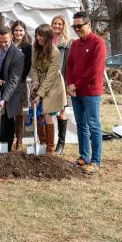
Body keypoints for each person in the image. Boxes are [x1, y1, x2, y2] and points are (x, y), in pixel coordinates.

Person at [66, 11, 106, 174]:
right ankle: (84, 156)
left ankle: (96, 161)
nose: (76, 29)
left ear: (89, 24)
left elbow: (94, 70)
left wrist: (76, 85)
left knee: (93, 125)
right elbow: (69, 66)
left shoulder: (99, 43)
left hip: (91, 92)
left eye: (79, 26)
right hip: (76, 92)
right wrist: (69, 85)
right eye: (74, 26)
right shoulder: (75, 44)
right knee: (81, 124)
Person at [27, 24, 67, 155]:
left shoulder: (55, 52)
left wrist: (40, 94)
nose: (38, 38)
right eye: (37, 35)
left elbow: (50, 76)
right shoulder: (35, 48)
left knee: (47, 114)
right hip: (40, 82)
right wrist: (35, 83)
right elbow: (33, 68)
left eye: (41, 35)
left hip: (53, 85)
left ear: (48, 36)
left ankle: (49, 148)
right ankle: (42, 144)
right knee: (38, 115)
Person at [0, 26, 24, 151]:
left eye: (5, 41)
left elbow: (14, 80)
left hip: (10, 92)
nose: (3, 44)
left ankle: (6, 150)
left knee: (7, 121)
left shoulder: (18, 55)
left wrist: (4, 99)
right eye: (0, 41)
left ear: (11, 37)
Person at [52, 15, 73, 155]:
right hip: (48, 81)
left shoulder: (68, 43)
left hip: (62, 81)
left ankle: (61, 143)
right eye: (55, 23)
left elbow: (70, 65)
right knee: (47, 112)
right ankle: (47, 142)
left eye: (60, 24)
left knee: (61, 112)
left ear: (64, 25)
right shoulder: (48, 39)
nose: (57, 26)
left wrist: (67, 84)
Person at [11, 20, 32, 150]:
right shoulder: (8, 44)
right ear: (12, 32)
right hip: (8, 83)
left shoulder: (28, 47)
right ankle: (9, 137)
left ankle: (19, 140)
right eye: (16, 30)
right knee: (9, 112)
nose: (18, 33)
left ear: (24, 32)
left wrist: (20, 78)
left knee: (19, 113)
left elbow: (28, 65)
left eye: (21, 30)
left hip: (20, 82)